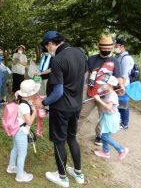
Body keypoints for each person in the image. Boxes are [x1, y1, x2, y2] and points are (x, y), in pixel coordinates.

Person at [35, 31, 87, 187]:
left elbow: (58, 92)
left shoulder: (58, 60)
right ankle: (78, 174)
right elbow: (82, 76)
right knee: (72, 138)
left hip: (61, 108)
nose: (47, 50)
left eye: (46, 47)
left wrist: (43, 103)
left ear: (50, 44)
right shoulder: (80, 52)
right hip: (76, 105)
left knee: (59, 141)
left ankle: (62, 177)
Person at [79, 34, 124, 146]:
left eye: (109, 48)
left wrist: (121, 86)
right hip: (91, 93)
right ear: (99, 47)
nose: (106, 50)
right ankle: (72, 133)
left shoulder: (115, 61)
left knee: (103, 117)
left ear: (112, 48)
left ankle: (99, 136)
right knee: (81, 114)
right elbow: (86, 74)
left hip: (106, 96)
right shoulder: (92, 59)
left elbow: (118, 77)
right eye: (104, 48)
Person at [7, 79, 39, 183]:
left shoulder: (20, 99)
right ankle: (20, 175)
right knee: (22, 153)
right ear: (30, 94)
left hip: (17, 129)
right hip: (21, 132)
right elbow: (29, 122)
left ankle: (11, 167)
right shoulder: (25, 106)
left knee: (15, 149)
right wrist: (34, 111)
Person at [93, 75, 129, 160]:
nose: (102, 86)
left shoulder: (112, 95)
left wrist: (98, 100)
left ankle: (121, 149)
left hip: (111, 118)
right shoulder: (108, 93)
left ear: (109, 84)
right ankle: (106, 152)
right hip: (107, 116)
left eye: (103, 84)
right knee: (104, 134)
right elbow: (100, 91)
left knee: (104, 136)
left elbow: (109, 107)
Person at [114, 39, 135, 130]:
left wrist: (121, 87)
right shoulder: (120, 57)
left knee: (124, 104)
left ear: (122, 46)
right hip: (120, 84)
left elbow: (124, 74)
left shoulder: (126, 58)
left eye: (116, 46)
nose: (115, 48)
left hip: (124, 85)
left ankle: (125, 123)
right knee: (119, 104)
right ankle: (120, 121)